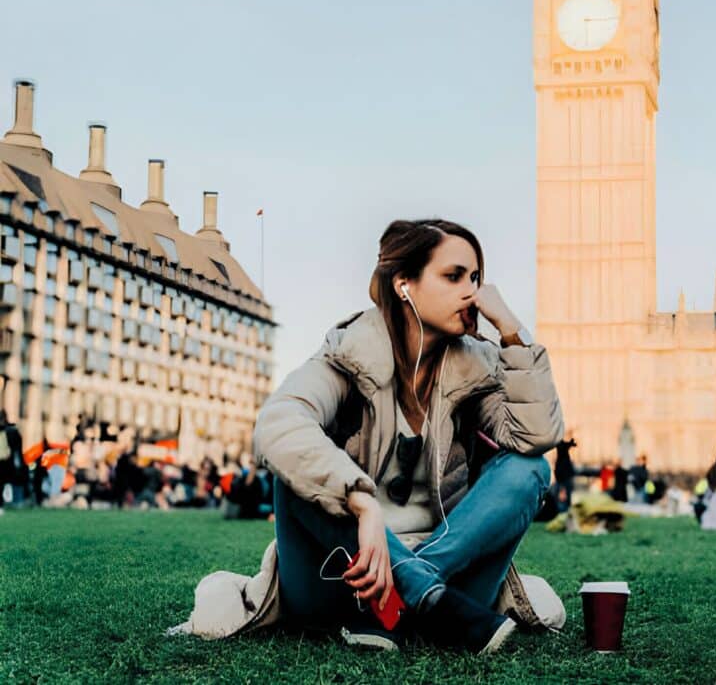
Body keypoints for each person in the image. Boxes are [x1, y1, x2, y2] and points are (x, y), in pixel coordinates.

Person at [175, 219, 566, 653]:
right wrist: (363, 504)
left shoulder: (478, 368)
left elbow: (536, 437)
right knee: (300, 470)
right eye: (454, 276)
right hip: (341, 577)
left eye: (476, 278)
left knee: (529, 469)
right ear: (404, 285)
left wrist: (511, 331)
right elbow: (278, 423)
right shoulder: (348, 355)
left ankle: (417, 591)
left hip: (453, 579)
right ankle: (418, 599)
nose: (472, 292)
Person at [552, 439, 576, 508]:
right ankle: (560, 506)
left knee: (565, 492)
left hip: (563, 474)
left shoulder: (561, 445)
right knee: (561, 492)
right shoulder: (561, 446)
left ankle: (564, 506)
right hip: (563, 474)